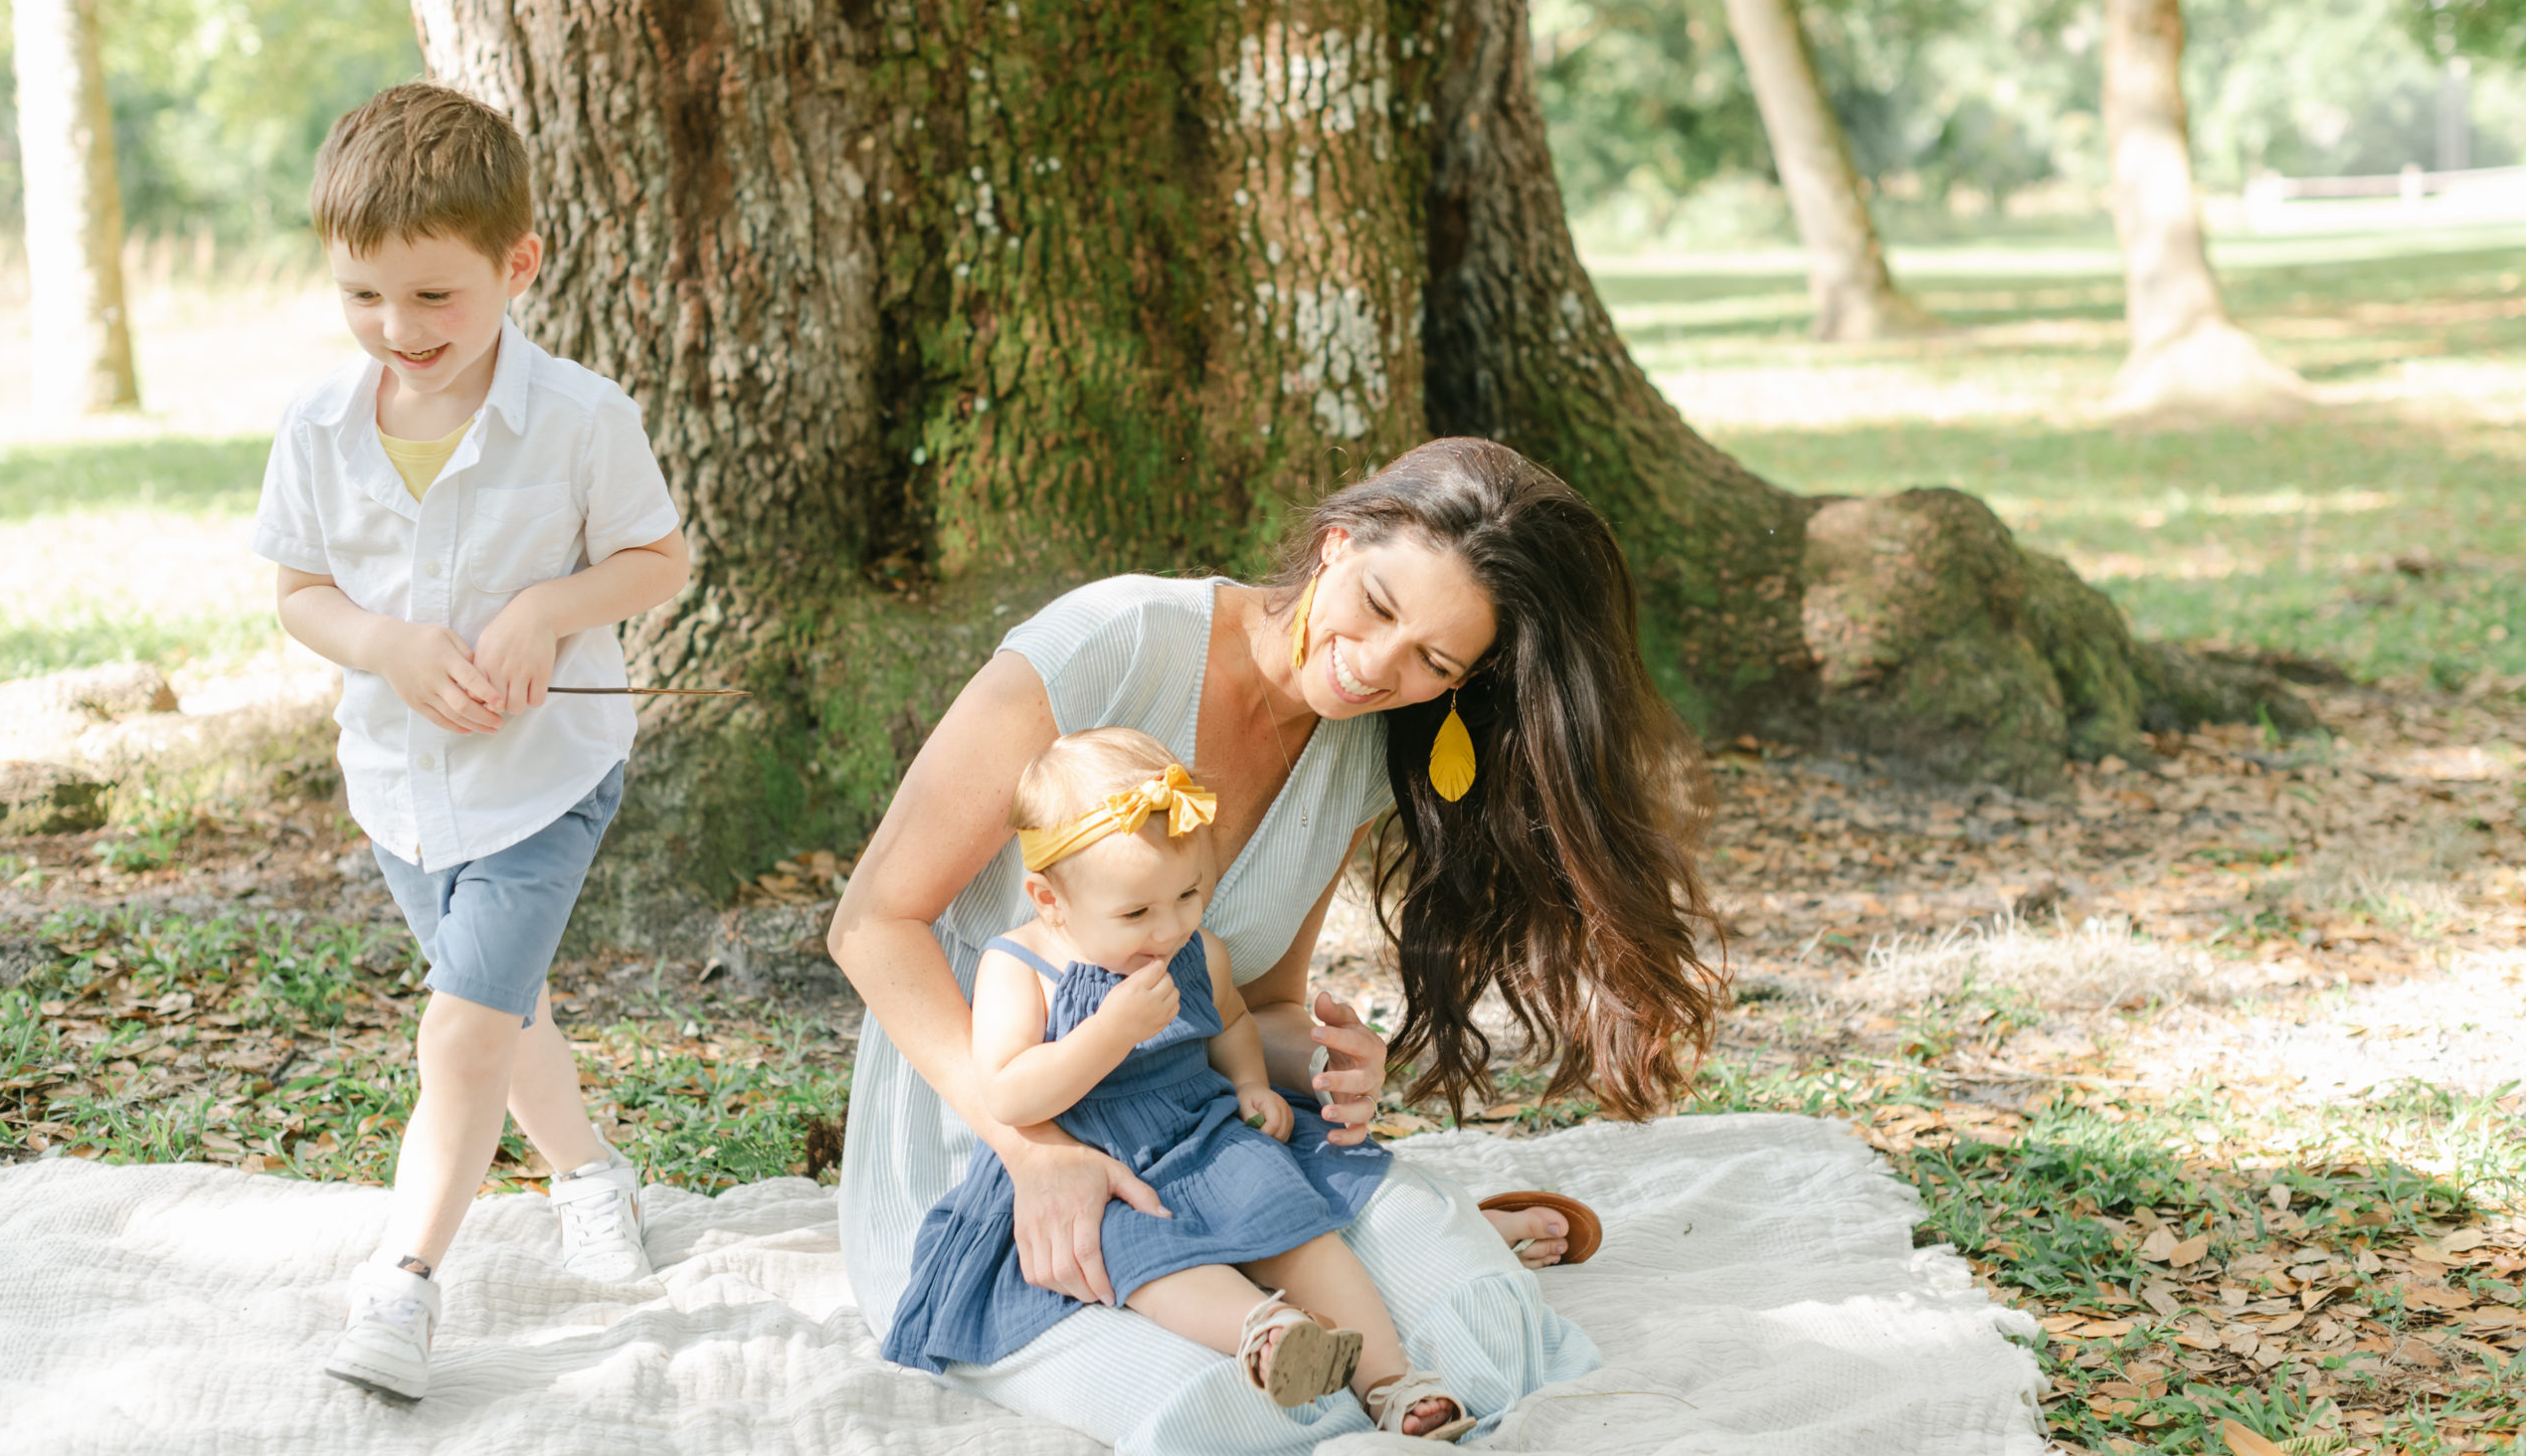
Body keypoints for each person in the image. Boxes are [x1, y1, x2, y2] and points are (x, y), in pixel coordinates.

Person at [826, 437, 1722, 1452]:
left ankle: (1435, 1246)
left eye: (1434, 660)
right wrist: (1034, 1151)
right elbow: (870, 921)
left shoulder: (1357, 747)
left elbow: (1251, 999)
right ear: (1337, 543)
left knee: (1481, 1324)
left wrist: (1325, 1057)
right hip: (991, 1130)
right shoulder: (1106, 642)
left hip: (1202, 1128)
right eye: (1379, 605)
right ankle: (1350, 1263)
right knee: (1227, 1410)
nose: (1378, 668)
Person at [252, 82, 692, 1402]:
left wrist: (551, 608)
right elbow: (297, 591)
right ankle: (589, 1173)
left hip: (549, 772)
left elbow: (657, 559)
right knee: (505, 1008)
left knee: (459, 1032)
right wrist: (384, 645)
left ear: (520, 264)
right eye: (365, 296)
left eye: (436, 296)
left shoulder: (581, 420)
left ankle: (404, 1283)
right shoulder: (321, 428)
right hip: (399, 785)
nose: (400, 329)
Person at [880, 729, 1471, 1440]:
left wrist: (1252, 1082)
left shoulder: (1196, 948)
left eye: (1189, 893)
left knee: (1293, 1221)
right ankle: (1267, 1331)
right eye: (1136, 912)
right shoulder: (1020, 965)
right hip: (1099, 1161)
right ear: (1049, 899)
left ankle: (1391, 1380)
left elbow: (1228, 1023)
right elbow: (1008, 1092)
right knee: (1141, 1253)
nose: (1169, 928)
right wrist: (1107, 1033)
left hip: (1202, 1129)